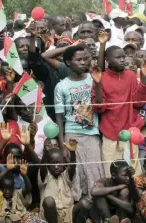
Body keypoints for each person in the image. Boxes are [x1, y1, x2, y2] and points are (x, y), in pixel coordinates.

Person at [54, 45, 105, 198]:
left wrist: (97, 83)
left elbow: (100, 103)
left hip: (92, 132)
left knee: (95, 171)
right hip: (72, 132)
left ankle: (95, 206)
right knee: (76, 172)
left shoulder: (93, 79)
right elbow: (59, 117)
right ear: (69, 63)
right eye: (79, 60)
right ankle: (78, 208)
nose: (83, 62)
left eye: (85, 59)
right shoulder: (61, 86)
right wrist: (63, 145)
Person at [92, 45, 146, 177]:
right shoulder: (102, 77)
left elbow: (138, 102)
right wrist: (97, 83)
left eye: (123, 56)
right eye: (118, 57)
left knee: (134, 174)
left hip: (130, 132)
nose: (122, 60)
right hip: (109, 132)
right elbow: (99, 108)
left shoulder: (130, 76)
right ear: (107, 59)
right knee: (111, 173)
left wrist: (144, 79)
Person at [38, 140, 91, 223]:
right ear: (48, 165)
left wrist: (72, 152)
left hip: (67, 214)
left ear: (63, 163)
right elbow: (42, 169)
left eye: (59, 163)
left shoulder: (66, 176)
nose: (56, 167)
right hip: (51, 216)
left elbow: (72, 169)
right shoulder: (46, 177)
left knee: (86, 203)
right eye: (53, 164)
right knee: (49, 201)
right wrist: (46, 152)